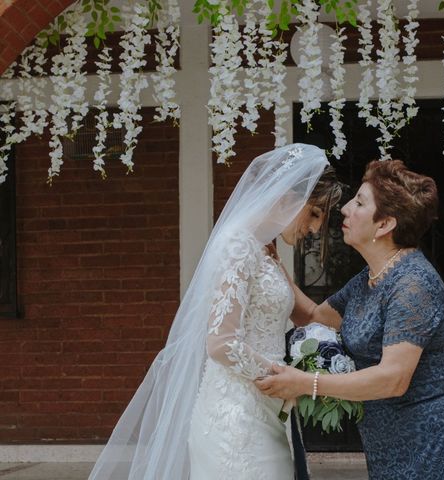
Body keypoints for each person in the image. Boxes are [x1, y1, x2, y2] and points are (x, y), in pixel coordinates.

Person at [89, 144, 341, 480]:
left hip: (267, 411)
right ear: (285, 197)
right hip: (235, 421)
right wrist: (282, 376)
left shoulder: (266, 252)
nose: (314, 228)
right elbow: (221, 343)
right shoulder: (237, 245)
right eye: (314, 213)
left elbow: (308, 314)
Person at [256, 159, 444, 480]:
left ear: (384, 225)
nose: (344, 209)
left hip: (426, 442)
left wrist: (305, 383)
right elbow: (313, 317)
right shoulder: (368, 279)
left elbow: (393, 379)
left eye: (359, 202)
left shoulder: (413, 285)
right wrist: (272, 261)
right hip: (383, 441)